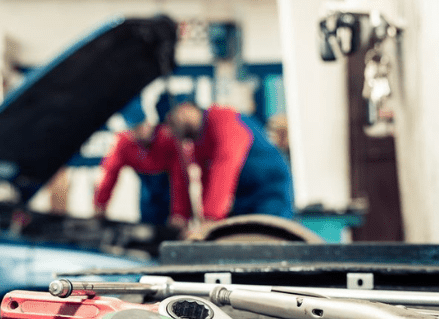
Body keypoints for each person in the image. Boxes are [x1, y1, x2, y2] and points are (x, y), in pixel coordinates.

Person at [166, 102, 294, 223]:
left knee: (266, 233)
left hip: (271, 191)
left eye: (172, 123)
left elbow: (225, 164)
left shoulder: (222, 118)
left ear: (185, 109)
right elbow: (186, 177)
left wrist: (211, 217)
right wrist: (180, 215)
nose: (172, 131)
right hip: (244, 198)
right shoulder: (198, 140)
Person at [93, 98, 191, 229]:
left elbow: (179, 179)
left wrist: (180, 213)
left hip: (169, 190)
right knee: (147, 227)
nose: (142, 131)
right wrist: (100, 204)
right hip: (147, 193)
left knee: (173, 229)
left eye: (143, 125)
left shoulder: (167, 139)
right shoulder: (124, 143)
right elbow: (110, 174)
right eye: (135, 128)